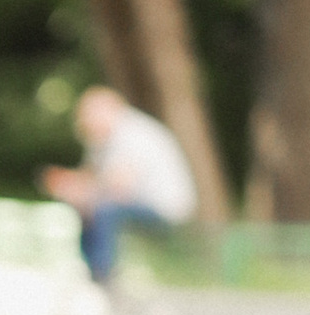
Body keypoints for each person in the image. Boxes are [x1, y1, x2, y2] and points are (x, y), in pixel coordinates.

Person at [43, 84, 196, 282]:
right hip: (137, 201)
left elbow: (119, 185)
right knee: (88, 206)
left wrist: (81, 189)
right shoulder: (103, 138)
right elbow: (93, 176)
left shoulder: (132, 134)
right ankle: (90, 269)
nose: (84, 122)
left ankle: (102, 275)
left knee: (103, 209)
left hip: (165, 207)